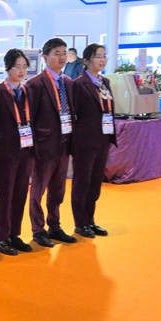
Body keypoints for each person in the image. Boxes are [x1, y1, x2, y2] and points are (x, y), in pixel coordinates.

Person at [27, 37, 77, 247]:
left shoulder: (68, 82)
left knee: (58, 189)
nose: (62, 57)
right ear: (45, 57)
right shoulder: (35, 84)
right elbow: (30, 117)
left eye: (64, 53)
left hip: (64, 143)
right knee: (38, 190)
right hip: (44, 145)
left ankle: (54, 226)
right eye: (57, 54)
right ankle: (38, 229)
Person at [0, 49, 35, 256]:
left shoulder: (28, 92)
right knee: (5, 195)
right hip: (5, 153)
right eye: (17, 67)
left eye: (24, 67)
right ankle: (1, 237)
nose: (21, 71)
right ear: (8, 68)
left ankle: (14, 234)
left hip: (25, 150)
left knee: (20, 194)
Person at [70, 43, 116, 238]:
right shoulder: (78, 84)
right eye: (98, 56)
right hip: (85, 141)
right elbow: (74, 115)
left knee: (95, 182)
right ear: (87, 60)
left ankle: (90, 220)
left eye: (104, 56)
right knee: (82, 181)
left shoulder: (105, 82)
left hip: (103, 139)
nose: (102, 60)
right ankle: (80, 223)